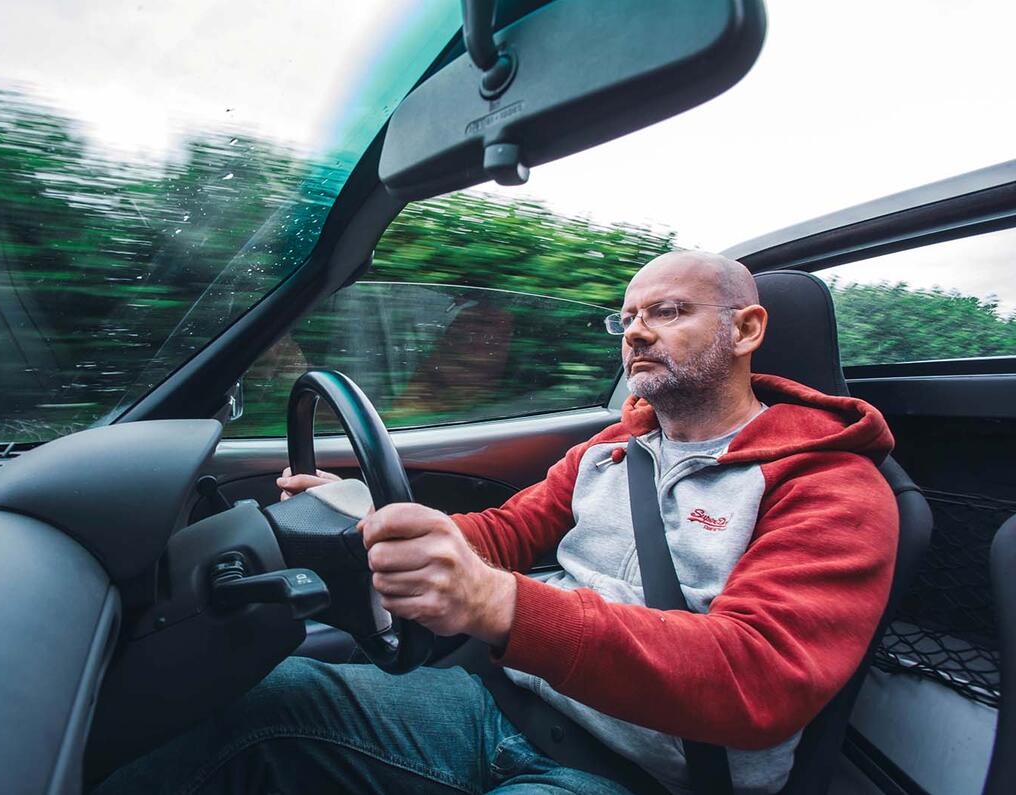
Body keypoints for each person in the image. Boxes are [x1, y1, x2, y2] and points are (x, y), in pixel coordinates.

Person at [99, 251, 899, 795]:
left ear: (747, 331)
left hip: (647, 775)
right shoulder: (612, 447)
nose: (636, 333)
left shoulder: (833, 483)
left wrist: (501, 605)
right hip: (496, 702)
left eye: (668, 311)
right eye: (626, 318)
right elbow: (506, 532)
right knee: (262, 696)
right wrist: (368, 517)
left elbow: (753, 677)